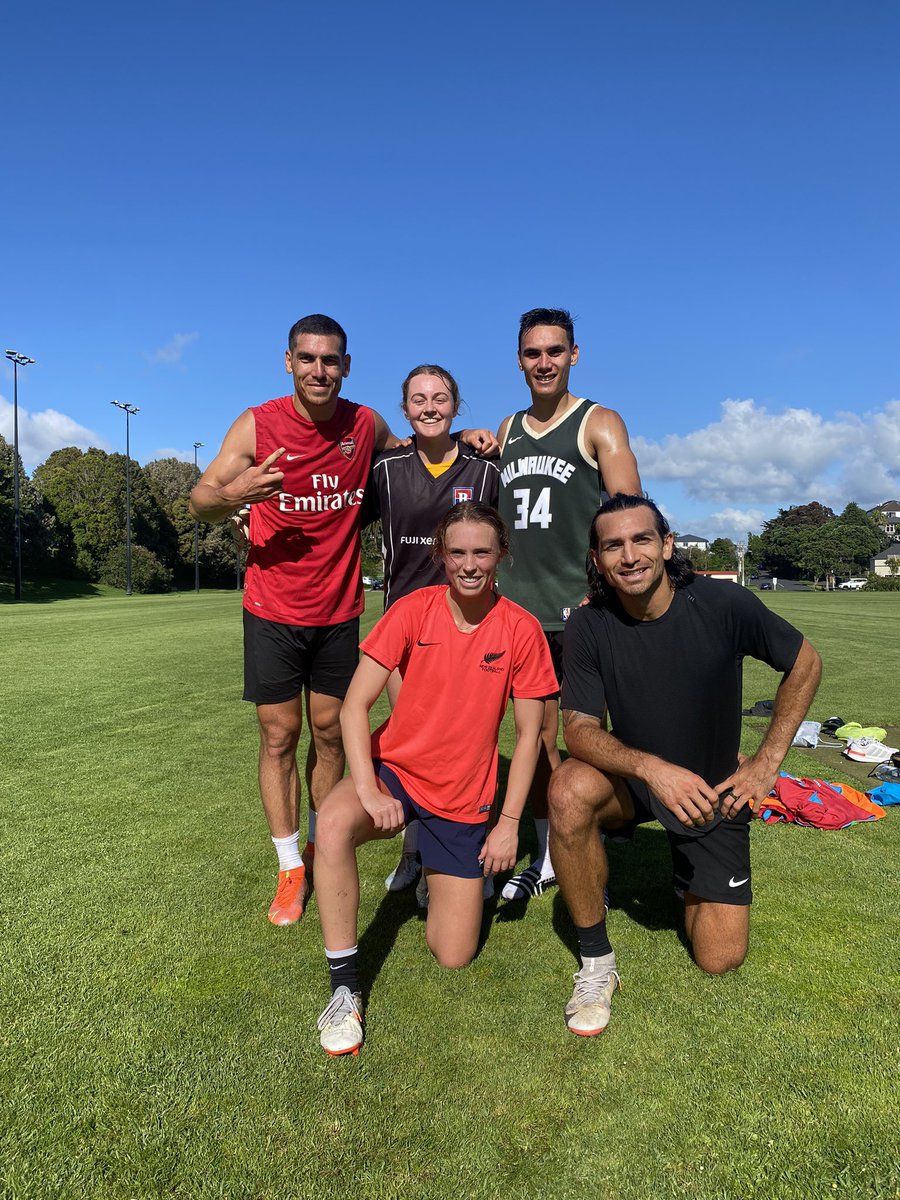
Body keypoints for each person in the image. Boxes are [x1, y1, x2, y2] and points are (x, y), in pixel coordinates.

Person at [189, 314, 495, 927]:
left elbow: (418, 454)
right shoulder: (258, 423)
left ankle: (316, 843)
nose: (319, 370)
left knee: (330, 733)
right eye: (307, 358)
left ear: (347, 367)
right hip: (272, 607)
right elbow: (199, 500)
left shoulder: (365, 424)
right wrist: (237, 494)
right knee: (279, 736)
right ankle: (289, 868)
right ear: (289, 362)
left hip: (340, 611)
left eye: (330, 360)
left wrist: (470, 437)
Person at [550, 494, 822, 1036]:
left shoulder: (724, 604)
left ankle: (686, 866)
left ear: (667, 544)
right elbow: (578, 731)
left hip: (713, 791)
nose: (629, 556)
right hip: (634, 783)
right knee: (567, 789)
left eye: (641, 539)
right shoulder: (588, 624)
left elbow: (805, 662)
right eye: (613, 546)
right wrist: (653, 770)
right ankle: (596, 962)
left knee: (719, 957)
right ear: (598, 559)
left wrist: (766, 763)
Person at [313, 503, 558, 1055]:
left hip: (463, 798)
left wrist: (507, 826)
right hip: (396, 770)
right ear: (440, 554)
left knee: (453, 953)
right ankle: (344, 989)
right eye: (457, 552)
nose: (469, 564)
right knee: (332, 824)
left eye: (481, 551)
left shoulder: (521, 629)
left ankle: (426, 861)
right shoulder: (411, 610)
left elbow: (528, 738)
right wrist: (370, 788)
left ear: (501, 554)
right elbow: (355, 707)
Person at [496, 308, 642, 900]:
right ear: (519, 360)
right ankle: (550, 848)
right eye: (533, 353)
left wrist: (605, 585)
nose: (544, 362)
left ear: (574, 355)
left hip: (578, 614)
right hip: (517, 614)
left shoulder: (598, 422)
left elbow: (630, 510)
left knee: (582, 736)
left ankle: (583, 845)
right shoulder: (504, 431)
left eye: (555, 351)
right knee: (531, 736)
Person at [373, 364, 500, 893]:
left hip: (469, 627)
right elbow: (332, 519)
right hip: (405, 630)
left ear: (456, 406)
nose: (430, 407)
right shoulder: (385, 469)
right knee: (412, 744)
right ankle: (415, 854)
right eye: (419, 399)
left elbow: (501, 543)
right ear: (404, 409)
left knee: (466, 742)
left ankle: (464, 848)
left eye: (441, 398)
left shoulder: (485, 469)